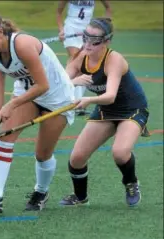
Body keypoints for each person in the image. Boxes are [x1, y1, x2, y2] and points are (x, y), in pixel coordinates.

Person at [0, 11, 75, 213]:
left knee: (42, 154)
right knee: (5, 137)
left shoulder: (23, 45)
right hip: (29, 94)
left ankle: (41, 191)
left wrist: (12, 104)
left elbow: (43, 85)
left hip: (57, 97)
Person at [60, 17, 149, 207]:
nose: (88, 44)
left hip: (131, 109)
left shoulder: (113, 59)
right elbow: (60, 83)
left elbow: (110, 95)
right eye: (85, 38)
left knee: (119, 152)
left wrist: (88, 100)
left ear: (107, 41)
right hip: (106, 110)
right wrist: (72, 82)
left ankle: (131, 182)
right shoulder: (81, 57)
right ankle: (81, 197)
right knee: (77, 158)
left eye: (95, 41)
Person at [56, 0, 111, 116]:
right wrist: (61, 30)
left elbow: (108, 8)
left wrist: (104, 28)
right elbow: (58, 13)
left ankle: (77, 102)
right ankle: (68, 99)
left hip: (88, 31)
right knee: (76, 59)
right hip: (71, 29)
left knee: (83, 63)